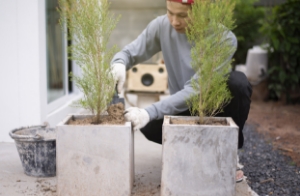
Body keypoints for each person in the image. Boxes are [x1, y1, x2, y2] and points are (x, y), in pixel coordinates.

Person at [111, 0, 252, 183]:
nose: (174, 21)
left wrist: (150, 111)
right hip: (182, 110)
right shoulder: (162, 25)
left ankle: (227, 153)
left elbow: (197, 89)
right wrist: (119, 63)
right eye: (170, 12)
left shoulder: (223, 39)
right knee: (146, 124)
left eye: (183, 15)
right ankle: (195, 149)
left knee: (238, 83)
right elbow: (131, 52)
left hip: (215, 110)